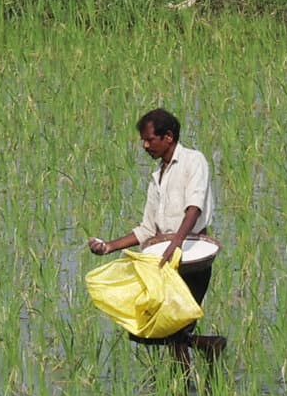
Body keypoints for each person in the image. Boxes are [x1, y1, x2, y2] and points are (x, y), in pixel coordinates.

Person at [88, 107, 216, 354]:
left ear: (168, 136)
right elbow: (148, 228)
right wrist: (109, 247)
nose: (145, 146)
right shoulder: (157, 175)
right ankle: (207, 350)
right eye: (143, 141)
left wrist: (175, 244)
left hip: (192, 256)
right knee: (154, 330)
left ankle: (185, 384)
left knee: (175, 331)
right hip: (166, 259)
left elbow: (194, 207)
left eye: (149, 140)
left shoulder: (193, 161)